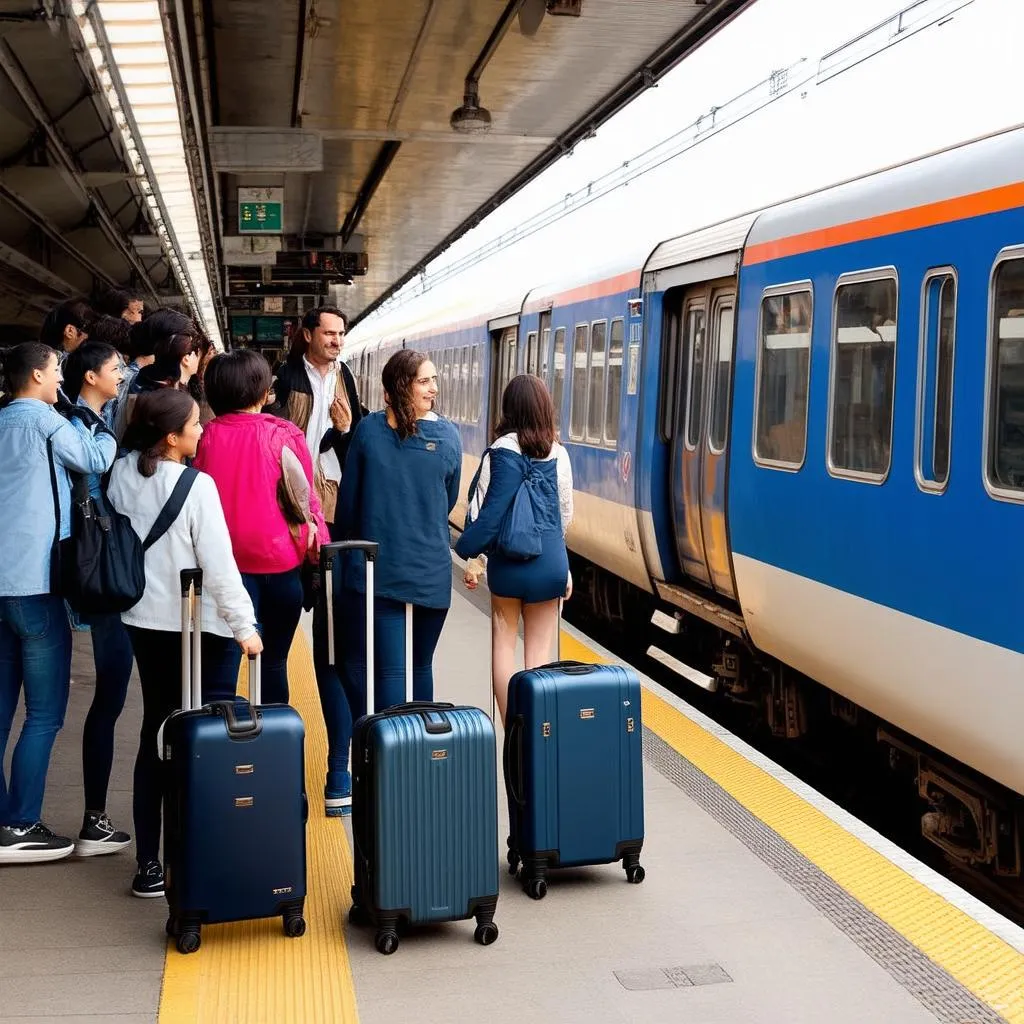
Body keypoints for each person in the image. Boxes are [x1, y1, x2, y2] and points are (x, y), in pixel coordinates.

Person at [107, 389, 262, 897]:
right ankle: (200, 849)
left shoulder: (122, 475)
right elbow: (219, 567)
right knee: (205, 737)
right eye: (195, 424)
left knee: (158, 727)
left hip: (143, 620)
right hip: (200, 629)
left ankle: (149, 863)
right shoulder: (197, 486)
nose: (202, 430)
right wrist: (245, 627)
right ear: (172, 437)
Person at [0, 343, 116, 864]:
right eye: (55, 372)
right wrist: (103, 426)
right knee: (44, 714)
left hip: (2, 585)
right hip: (36, 582)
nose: (59, 379)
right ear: (37, 376)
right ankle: (21, 825)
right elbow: (93, 458)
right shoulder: (45, 422)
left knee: (2, 710)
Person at [266, 305, 365, 816]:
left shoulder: (346, 378)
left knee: (331, 649)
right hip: (287, 521)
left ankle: (338, 769)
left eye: (341, 334)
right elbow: (273, 441)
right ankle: (275, 764)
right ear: (307, 335)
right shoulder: (283, 379)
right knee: (275, 647)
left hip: (333, 522)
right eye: (328, 333)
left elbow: (358, 446)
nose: (336, 341)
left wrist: (345, 433)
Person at [335, 348, 461, 732]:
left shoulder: (370, 430)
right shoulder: (448, 436)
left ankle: (390, 756)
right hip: (429, 569)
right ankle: (419, 753)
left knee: (390, 669)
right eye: (424, 381)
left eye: (434, 380)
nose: (433, 388)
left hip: (380, 571)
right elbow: (447, 500)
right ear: (402, 385)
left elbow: (349, 503)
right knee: (419, 666)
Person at [194, 349, 328, 704]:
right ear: (260, 390)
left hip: (226, 571)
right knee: (273, 664)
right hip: (282, 566)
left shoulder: (204, 437)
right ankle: (274, 745)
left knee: (223, 666)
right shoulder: (284, 433)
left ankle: (220, 748)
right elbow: (305, 499)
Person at [456, 374, 573, 727]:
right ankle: (538, 730)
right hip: (549, 564)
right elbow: (564, 514)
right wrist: (561, 565)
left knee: (503, 646)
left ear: (509, 409)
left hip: (508, 565)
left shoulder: (498, 452)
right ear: (544, 409)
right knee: (538, 654)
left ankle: (513, 732)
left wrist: (475, 557)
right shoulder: (559, 453)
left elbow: (479, 509)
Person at [60, 342, 136, 856]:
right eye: (115, 369)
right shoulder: (86, 426)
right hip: (106, 574)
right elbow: (91, 481)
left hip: (101, 572)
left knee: (108, 702)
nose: (123, 375)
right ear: (91, 376)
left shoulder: (91, 416)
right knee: (109, 700)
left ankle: (97, 816)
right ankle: (95, 820)